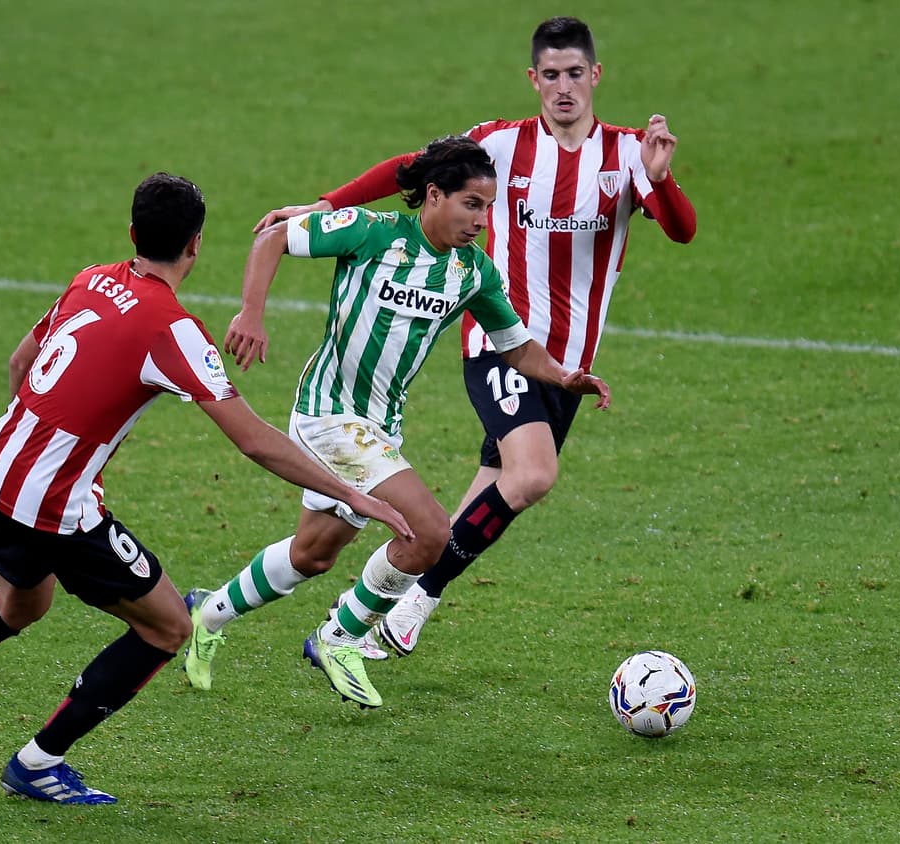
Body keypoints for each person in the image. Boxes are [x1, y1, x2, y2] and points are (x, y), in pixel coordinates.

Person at [0, 173, 412, 804]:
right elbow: (254, 439)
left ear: (133, 234)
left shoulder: (89, 277)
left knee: (19, 606)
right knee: (166, 628)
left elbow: (23, 362)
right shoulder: (174, 329)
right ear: (196, 245)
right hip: (54, 507)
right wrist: (355, 495)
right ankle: (38, 763)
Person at [253, 16, 697, 657]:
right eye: (551, 75)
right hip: (497, 343)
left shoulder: (629, 154)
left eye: (576, 74)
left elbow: (681, 231)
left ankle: (397, 601)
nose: (564, 87)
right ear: (533, 79)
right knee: (535, 475)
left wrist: (659, 179)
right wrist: (324, 207)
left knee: (496, 485)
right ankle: (412, 598)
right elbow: (409, 170)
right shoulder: (497, 145)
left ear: (595, 75)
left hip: (563, 363)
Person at [181, 136, 610, 709]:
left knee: (313, 554)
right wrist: (251, 312)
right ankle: (339, 639)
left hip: (380, 426)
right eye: (471, 205)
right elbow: (274, 236)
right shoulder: (372, 232)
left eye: (488, 207)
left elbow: (515, 348)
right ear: (433, 196)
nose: (483, 220)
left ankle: (208, 614)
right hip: (330, 415)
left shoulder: (472, 272)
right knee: (430, 532)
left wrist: (562, 377)